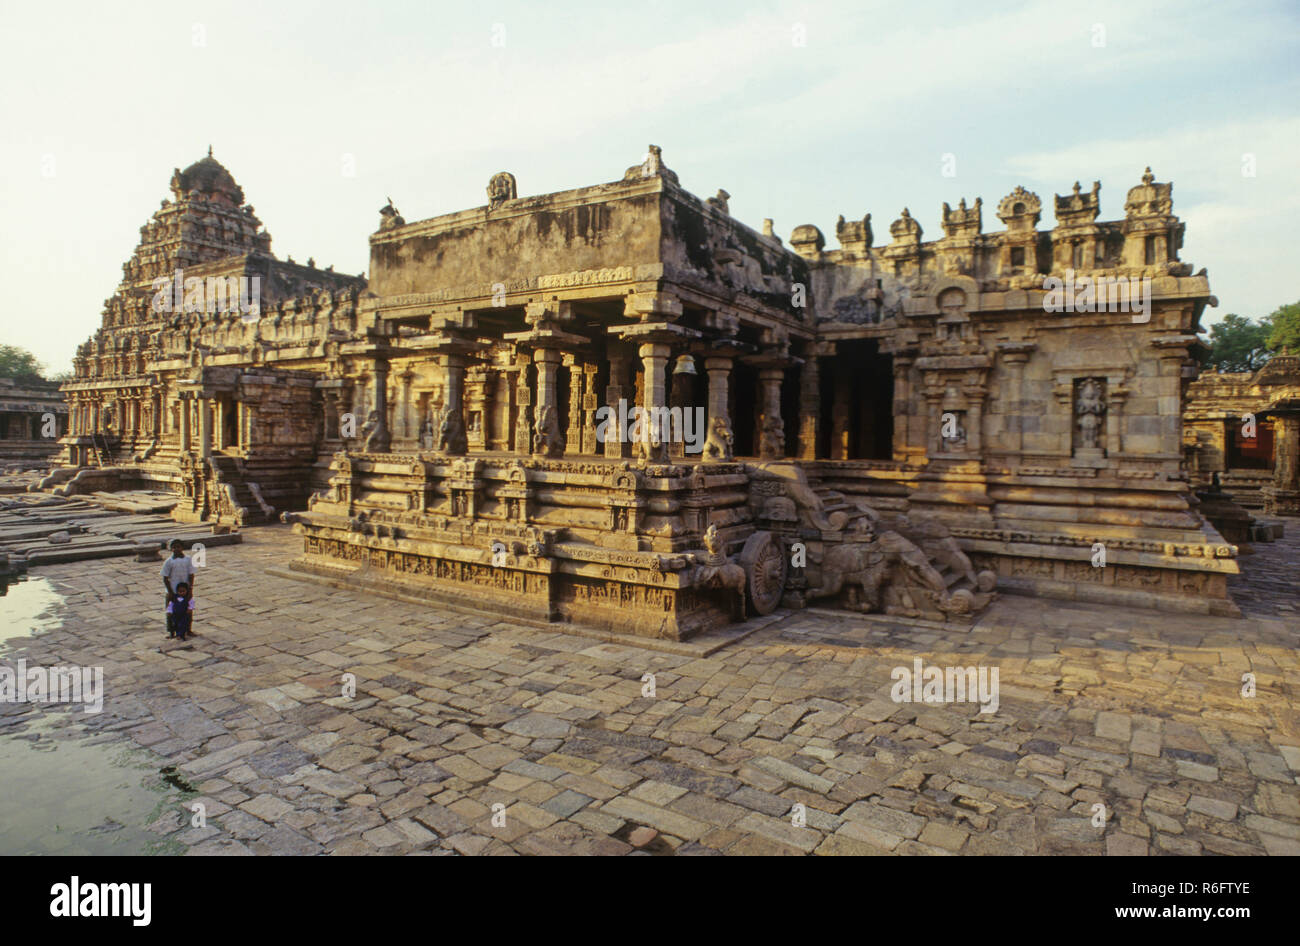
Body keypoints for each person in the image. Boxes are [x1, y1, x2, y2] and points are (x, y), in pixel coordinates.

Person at [161, 539, 196, 637]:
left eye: (178, 547)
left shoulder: (188, 559)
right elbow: (165, 578)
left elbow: (191, 574)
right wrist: (170, 592)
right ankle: (171, 631)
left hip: (185, 590)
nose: (176, 549)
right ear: (171, 549)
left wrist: (190, 589)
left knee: (188, 610)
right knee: (171, 612)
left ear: (182, 548)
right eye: (174, 547)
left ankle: (188, 630)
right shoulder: (169, 562)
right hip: (173, 590)